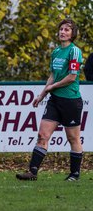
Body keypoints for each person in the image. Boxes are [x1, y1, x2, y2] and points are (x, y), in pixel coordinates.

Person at [16, 18, 84, 181]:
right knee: (42, 135)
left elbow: (71, 77)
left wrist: (51, 88)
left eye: (67, 30)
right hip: (54, 100)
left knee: (72, 138)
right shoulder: (55, 52)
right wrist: (42, 95)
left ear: (72, 34)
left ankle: (74, 174)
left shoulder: (75, 51)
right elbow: (53, 75)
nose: (63, 32)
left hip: (70, 101)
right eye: (61, 29)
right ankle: (32, 172)